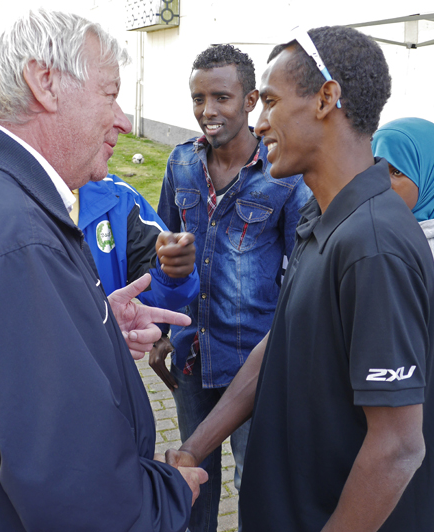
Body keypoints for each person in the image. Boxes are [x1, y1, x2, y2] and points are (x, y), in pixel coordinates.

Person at [0, 10, 207, 532]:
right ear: (45, 82)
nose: (122, 119)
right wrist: (169, 496)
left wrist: (91, 324)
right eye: (110, 94)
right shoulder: (13, 234)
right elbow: (80, 496)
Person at [166, 26, 434, 532]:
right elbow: (277, 346)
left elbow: (399, 448)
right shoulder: (323, 217)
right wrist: (192, 450)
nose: (262, 121)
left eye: (269, 101)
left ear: (326, 98)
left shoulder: (374, 244)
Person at [154, 44, 311, 531]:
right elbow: (160, 254)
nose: (207, 111)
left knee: (255, 483)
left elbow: (300, 276)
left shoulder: (282, 178)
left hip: (253, 366)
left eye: (221, 96)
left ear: (250, 101)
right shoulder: (180, 164)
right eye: (198, 98)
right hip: (190, 355)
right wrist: (161, 329)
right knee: (191, 477)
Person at [372, 117, 434, 393]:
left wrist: (405, 384)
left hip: (408, 415)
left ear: (429, 176)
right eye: (374, 167)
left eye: (396, 172)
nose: (380, 181)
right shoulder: (362, 233)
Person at [73, 173, 199, 311]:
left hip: (101, 332)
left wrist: (172, 272)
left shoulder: (119, 196)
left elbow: (165, 295)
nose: (114, 149)